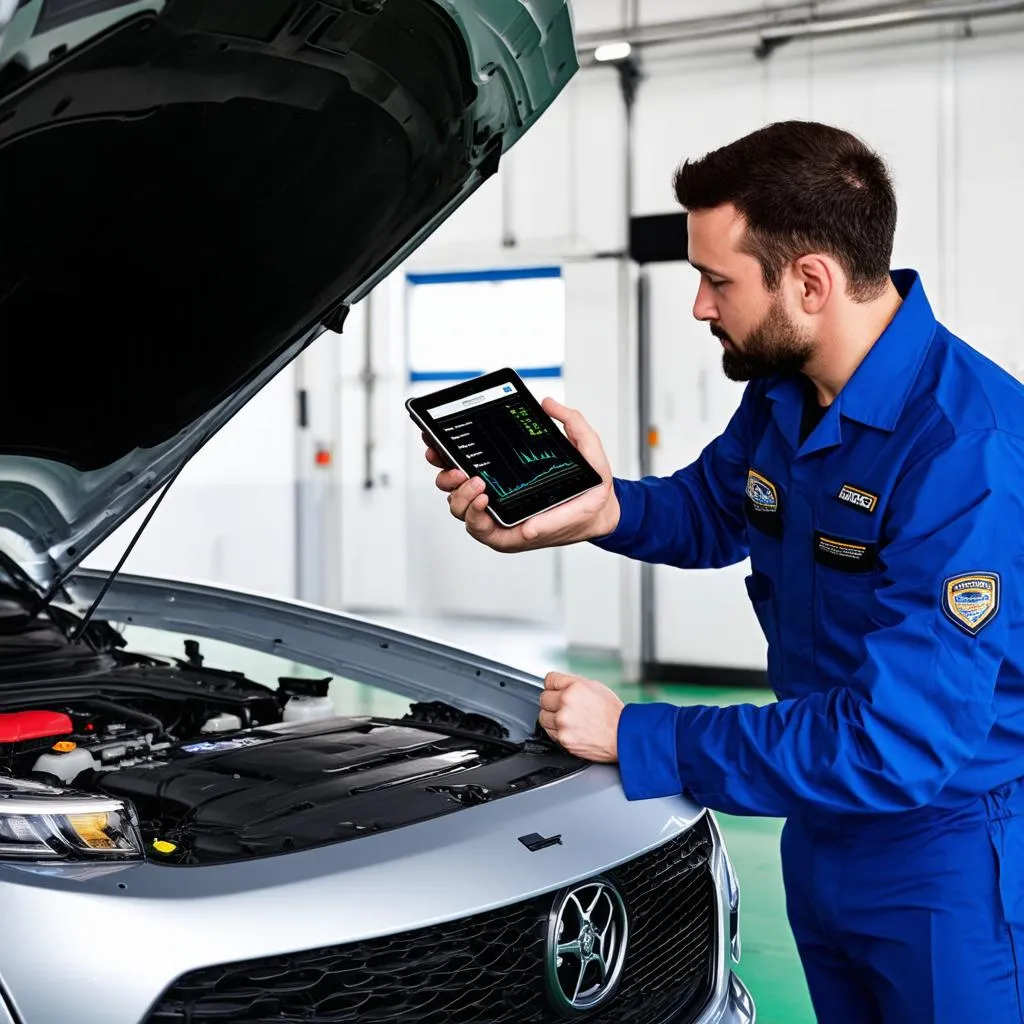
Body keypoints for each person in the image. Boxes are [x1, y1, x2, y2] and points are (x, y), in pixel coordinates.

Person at [422, 120, 1024, 1021]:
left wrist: (642, 739)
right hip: (818, 827)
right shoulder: (785, 395)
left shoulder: (965, 453)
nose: (701, 307)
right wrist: (600, 505)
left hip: (944, 857)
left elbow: (894, 747)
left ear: (810, 281)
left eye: (716, 279)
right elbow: (714, 508)